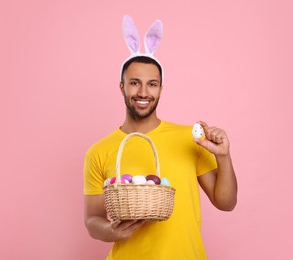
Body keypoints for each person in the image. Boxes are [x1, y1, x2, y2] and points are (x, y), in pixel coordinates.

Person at [83, 16, 237, 260]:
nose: (143, 92)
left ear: (161, 88)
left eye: (152, 84)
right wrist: (112, 230)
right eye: (134, 83)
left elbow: (226, 203)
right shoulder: (99, 151)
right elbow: (92, 219)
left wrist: (224, 156)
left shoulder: (189, 138)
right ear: (122, 87)